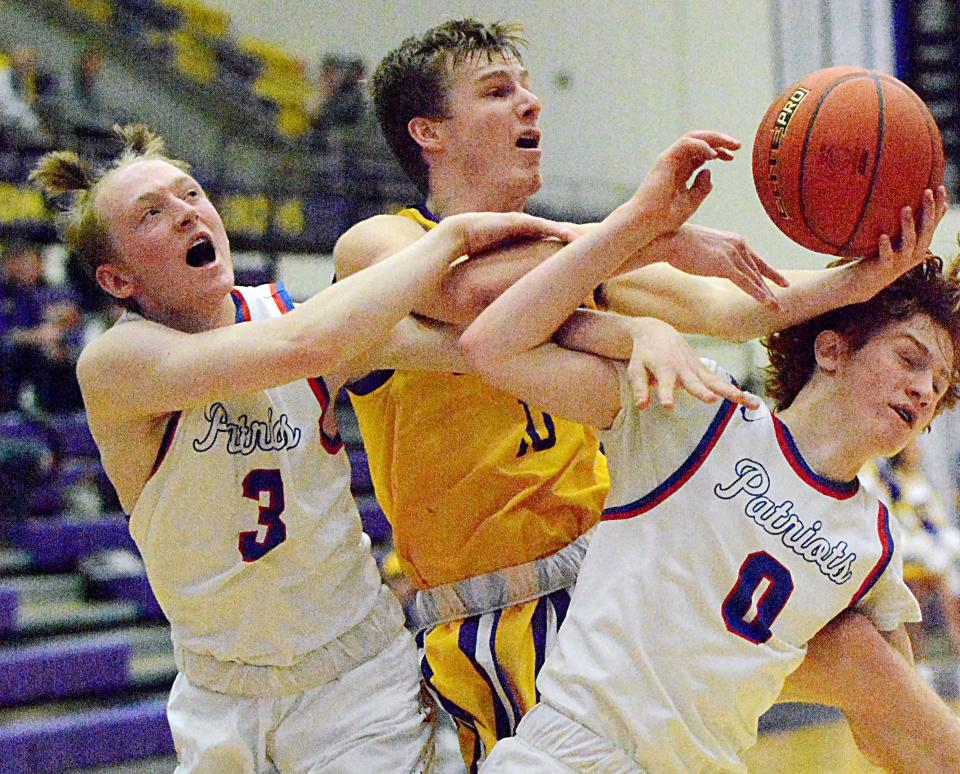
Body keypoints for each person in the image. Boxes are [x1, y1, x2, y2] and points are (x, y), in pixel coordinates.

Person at [334, 17, 950, 767]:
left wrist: (870, 277)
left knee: (869, 649)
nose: (531, 104)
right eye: (499, 92)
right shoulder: (379, 245)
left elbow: (735, 306)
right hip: (498, 611)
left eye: (529, 88)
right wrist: (641, 240)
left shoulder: (589, 254)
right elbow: (468, 295)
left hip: (616, 582)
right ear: (427, 131)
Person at [29, 123, 577, 772]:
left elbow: (473, 349)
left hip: (353, 682)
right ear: (119, 280)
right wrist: (450, 238)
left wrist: (627, 322)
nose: (185, 214)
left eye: (191, 195)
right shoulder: (118, 363)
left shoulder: (293, 313)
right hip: (217, 692)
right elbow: (304, 348)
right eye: (153, 213)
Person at [460, 131, 960, 772]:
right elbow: (489, 345)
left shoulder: (876, 545)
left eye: (938, 387)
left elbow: (898, 727)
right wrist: (640, 307)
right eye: (909, 360)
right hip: (577, 753)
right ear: (830, 350)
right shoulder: (694, 410)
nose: (922, 390)